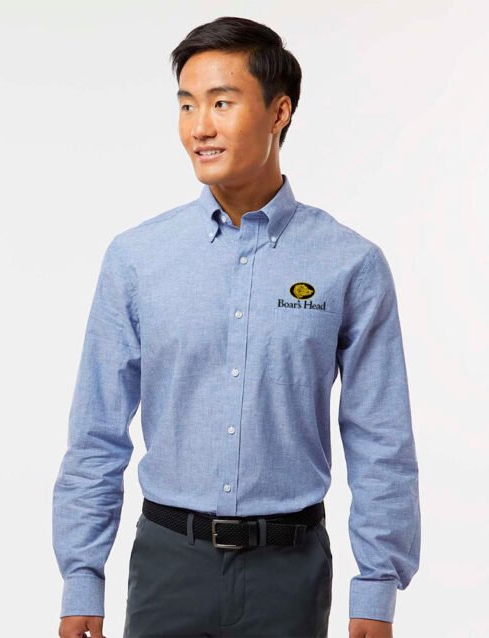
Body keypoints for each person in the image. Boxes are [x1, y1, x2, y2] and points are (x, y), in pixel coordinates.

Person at [52, 15, 421, 638]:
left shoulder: (350, 264)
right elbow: (96, 431)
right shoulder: (137, 258)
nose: (200, 127)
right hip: (168, 567)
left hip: (290, 572)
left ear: (279, 111)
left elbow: (380, 437)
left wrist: (376, 587)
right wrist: (82, 575)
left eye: (222, 103)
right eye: (187, 105)